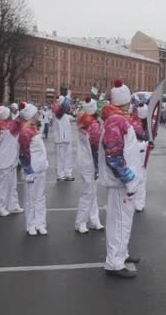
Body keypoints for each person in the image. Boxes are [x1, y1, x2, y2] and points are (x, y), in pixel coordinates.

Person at [99, 80, 142, 279]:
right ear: (125, 100)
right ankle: (114, 262)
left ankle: (121, 254)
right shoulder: (115, 121)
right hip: (121, 184)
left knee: (125, 220)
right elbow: (114, 156)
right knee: (118, 221)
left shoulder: (118, 119)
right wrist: (129, 179)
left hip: (126, 183)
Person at [18, 102, 49, 236]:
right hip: (32, 170)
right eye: (36, 113)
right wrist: (28, 170)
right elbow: (23, 153)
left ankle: (40, 223)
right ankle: (30, 225)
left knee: (40, 197)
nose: (39, 114)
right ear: (31, 115)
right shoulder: (26, 132)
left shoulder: (34, 128)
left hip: (41, 168)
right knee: (30, 198)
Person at [74, 97, 104, 234]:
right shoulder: (93, 126)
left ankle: (94, 219)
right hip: (90, 163)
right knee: (88, 193)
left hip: (85, 161)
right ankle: (81, 222)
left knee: (92, 192)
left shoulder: (83, 121)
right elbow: (97, 146)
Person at [0, 106, 24, 217]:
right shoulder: (2, 126)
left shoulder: (3, 125)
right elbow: (17, 123)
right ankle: (0, 208)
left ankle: (13, 205)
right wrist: (24, 112)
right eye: (9, 113)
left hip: (10, 159)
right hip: (4, 159)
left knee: (12, 184)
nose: (11, 115)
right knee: (3, 185)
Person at [129, 102, 149, 212]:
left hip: (132, 151)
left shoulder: (131, 120)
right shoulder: (138, 124)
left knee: (135, 175)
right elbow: (144, 136)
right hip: (140, 150)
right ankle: (139, 203)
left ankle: (135, 201)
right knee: (141, 177)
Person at [51, 91, 74, 181]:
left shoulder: (64, 115)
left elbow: (71, 117)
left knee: (68, 157)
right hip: (60, 140)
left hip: (67, 139)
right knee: (60, 158)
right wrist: (68, 96)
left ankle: (68, 173)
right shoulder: (57, 112)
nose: (68, 106)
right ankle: (60, 175)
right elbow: (64, 106)